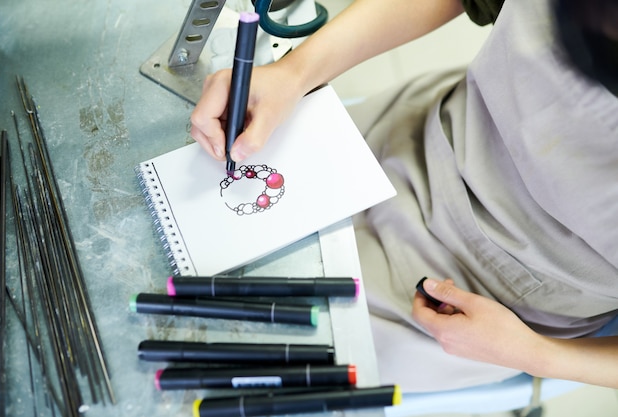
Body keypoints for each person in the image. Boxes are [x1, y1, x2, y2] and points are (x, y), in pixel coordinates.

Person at [190, 0, 618, 392]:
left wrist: (538, 356)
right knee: (195, 216)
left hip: (476, 301)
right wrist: (295, 73)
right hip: (423, 133)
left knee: (211, 339)